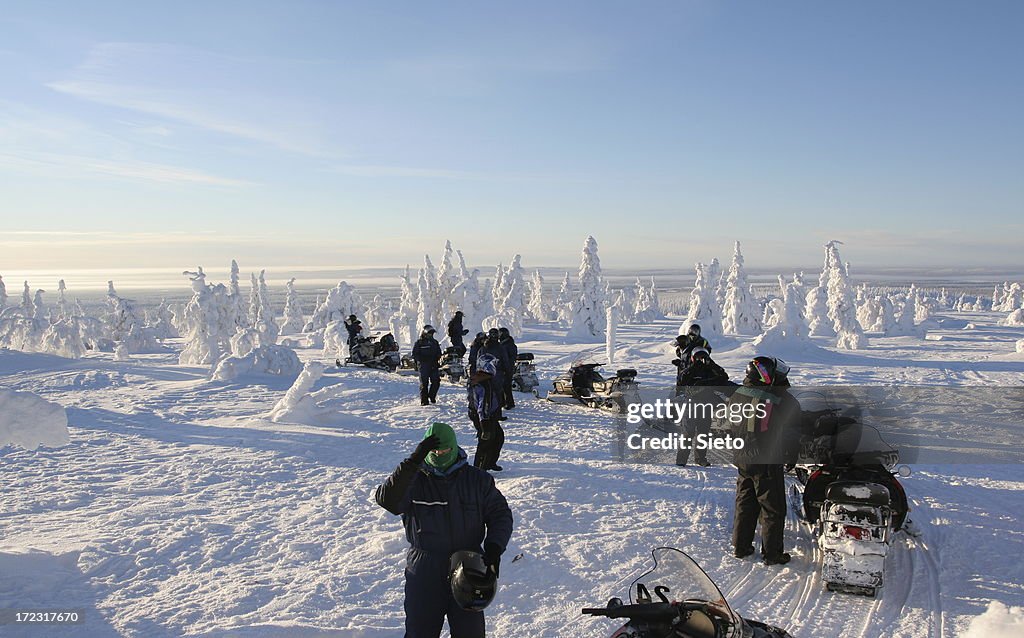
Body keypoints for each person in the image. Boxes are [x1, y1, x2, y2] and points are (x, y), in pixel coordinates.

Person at [374, 422, 513, 638]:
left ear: (454, 448)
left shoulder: (477, 480)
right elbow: (388, 501)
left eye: (444, 450)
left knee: (470, 633)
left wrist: (494, 547)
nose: (439, 455)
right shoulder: (414, 480)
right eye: (433, 451)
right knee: (420, 632)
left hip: (468, 567)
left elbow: (500, 514)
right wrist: (413, 461)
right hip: (424, 569)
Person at [727, 356, 802, 565]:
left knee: (745, 503)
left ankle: (740, 547)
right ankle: (772, 554)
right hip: (767, 461)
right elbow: (792, 430)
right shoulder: (779, 399)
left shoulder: (737, 394)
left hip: (742, 459)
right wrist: (791, 454)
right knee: (773, 509)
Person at [674, 348, 731, 467]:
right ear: (693, 358)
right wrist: (693, 368)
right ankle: (681, 459)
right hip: (692, 404)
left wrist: (712, 365)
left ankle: (700, 458)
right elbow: (681, 382)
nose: (701, 360)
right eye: (698, 357)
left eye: (703, 357)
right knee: (688, 432)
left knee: (703, 432)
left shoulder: (711, 370)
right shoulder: (689, 371)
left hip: (707, 404)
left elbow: (724, 377)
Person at [468, 354, 505, 471]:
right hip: (484, 417)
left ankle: (489, 463)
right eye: (492, 365)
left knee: (498, 437)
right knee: (486, 442)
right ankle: (479, 470)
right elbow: (483, 405)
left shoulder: (483, 378)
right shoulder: (483, 383)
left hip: (487, 415)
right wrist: (485, 424)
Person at [672, 324, 712, 394]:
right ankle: (679, 393)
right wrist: (680, 355)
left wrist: (702, 354)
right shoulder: (685, 339)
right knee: (681, 376)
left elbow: (708, 350)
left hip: (696, 361)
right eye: (691, 331)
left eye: (695, 331)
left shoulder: (703, 341)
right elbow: (678, 349)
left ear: (698, 332)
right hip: (685, 360)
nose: (692, 333)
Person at [481, 329, 510, 419]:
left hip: (486, 373)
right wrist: (507, 371)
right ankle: (497, 414)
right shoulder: (500, 348)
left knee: (487, 394)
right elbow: (505, 360)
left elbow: (479, 360)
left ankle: (487, 413)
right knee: (497, 394)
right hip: (497, 373)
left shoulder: (483, 347)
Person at [412, 326, 442, 406]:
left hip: (434, 365)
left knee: (436, 382)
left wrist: (439, 357)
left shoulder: (434, 342)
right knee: (424, 384)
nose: (431, 335)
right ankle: (424, 401)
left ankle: (432, 396)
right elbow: (415, 354)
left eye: (432, 334)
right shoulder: (419, 343)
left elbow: (439, 352)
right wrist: (422, 359)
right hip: (423, 366)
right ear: (425, 334)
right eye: (429, 334)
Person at [497, 327, 518, 410]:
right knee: (502, 386)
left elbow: (511, 357)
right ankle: (503, 402)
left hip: (507, 367)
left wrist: (507, 367)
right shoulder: (503, 344)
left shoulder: (508, 345)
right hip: (503, 367)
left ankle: (509, 403)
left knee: (506, 386)